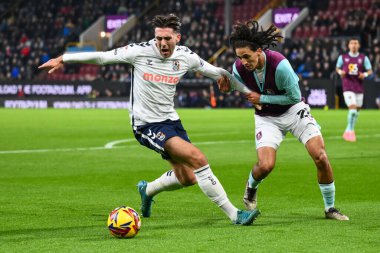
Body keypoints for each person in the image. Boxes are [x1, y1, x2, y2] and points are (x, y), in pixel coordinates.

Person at [39, 14, 259, 225]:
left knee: (188, 178)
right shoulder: (138, 52)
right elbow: (102, 57)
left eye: (167, 39)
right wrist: (63, 58)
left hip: (172, 121)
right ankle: (234, 215)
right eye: (159, 38)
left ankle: (148, 190)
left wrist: (248, 93)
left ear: (177, 38)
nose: (163, 43)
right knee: (198, 158)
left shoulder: (186, 56)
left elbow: (220, 73)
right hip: (146, 125)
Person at [218, 20, 349, 221]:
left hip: (293, 111)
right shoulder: (239, 68)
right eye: (239, 57)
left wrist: (263, 98)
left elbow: (294, 97)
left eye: (247, 56)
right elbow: (238, 87)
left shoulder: (280, 66)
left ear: (259, 51)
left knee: (320, 155)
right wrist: (228, 89)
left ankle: (330, 208)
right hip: (267, 118)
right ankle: (251, 187)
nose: (243, 61)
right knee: (266, 166)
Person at [336, 39, 373, 142]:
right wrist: (340, 72)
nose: (354, 45)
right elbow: (337, 68)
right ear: (348, 45)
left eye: (356, 43)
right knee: (352, 110)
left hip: (359, 87)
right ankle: (350, 131)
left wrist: (364, 74)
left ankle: (347, 131)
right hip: (347, 86)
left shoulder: (363, 58)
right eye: (352, 43)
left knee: (356, 112)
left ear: (359, 45)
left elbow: (370, 70)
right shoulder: (343, 57)